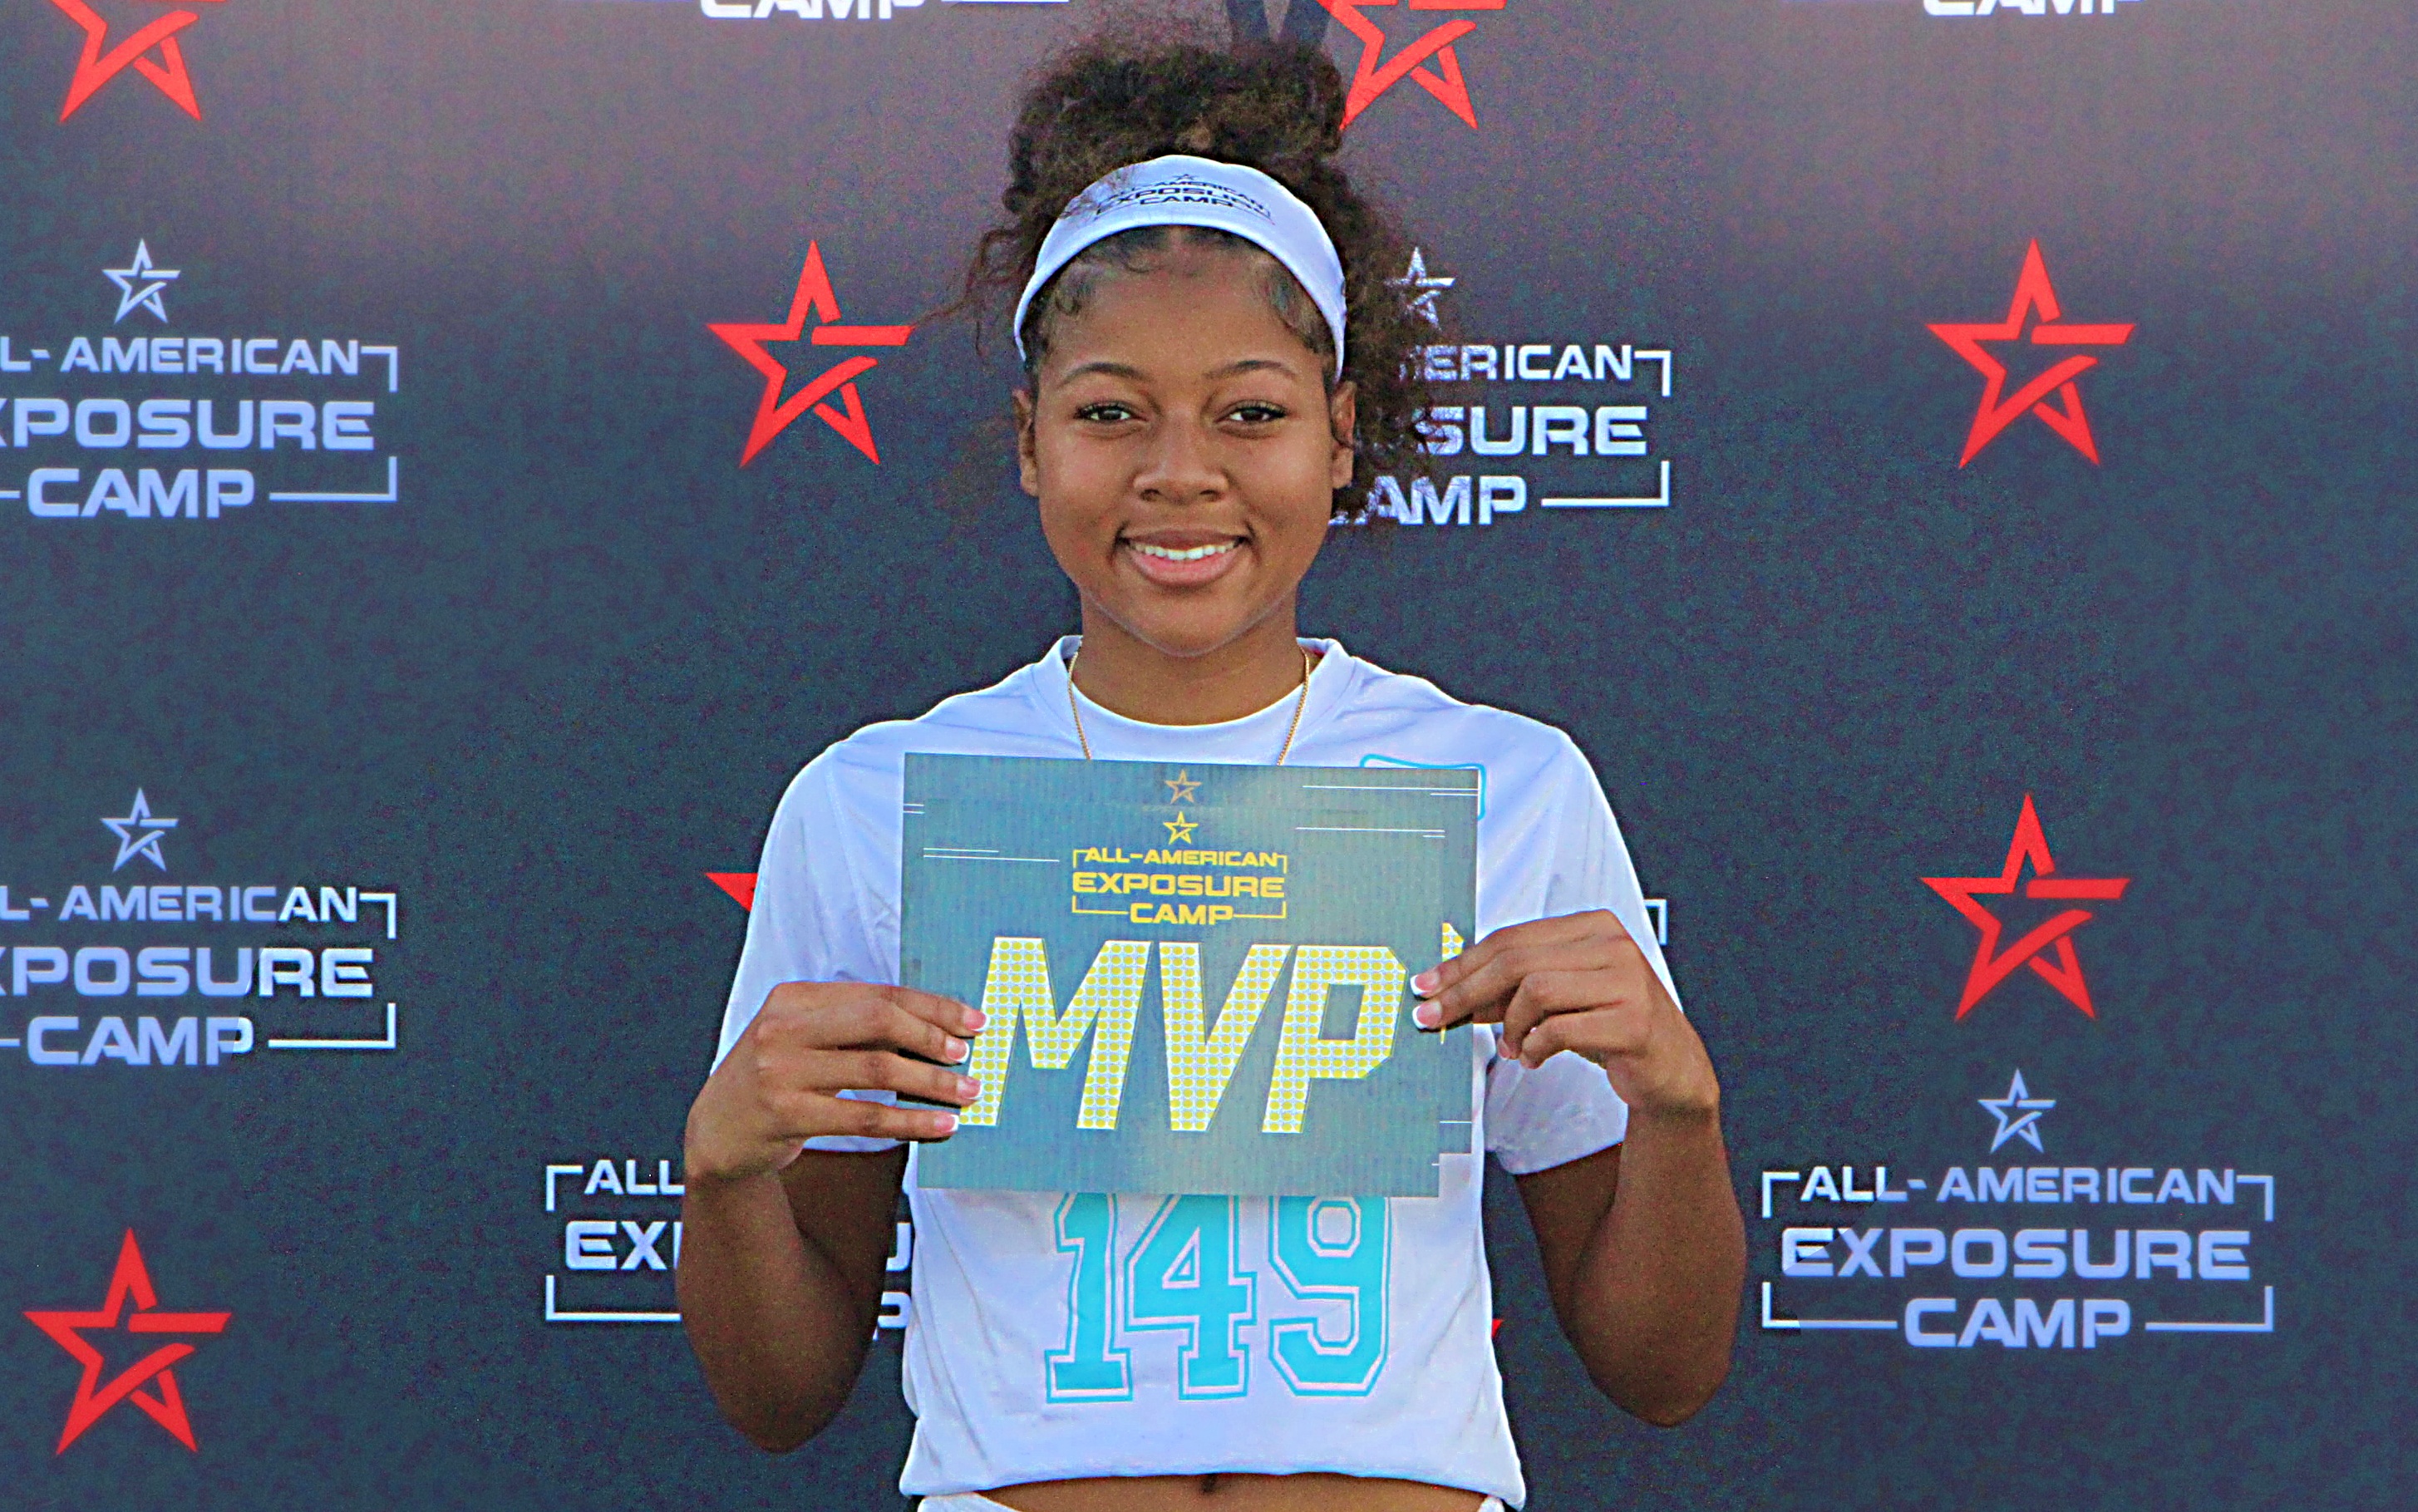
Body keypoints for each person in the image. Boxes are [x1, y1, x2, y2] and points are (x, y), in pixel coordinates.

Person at [677, 27, 1745, 1512]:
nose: (1180, 472)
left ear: (1340, 436)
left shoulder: (1503, 787)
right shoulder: (883, 804)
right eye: (1109, 411)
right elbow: (780, 1394)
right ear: (1031, 441)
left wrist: (1678, 1111)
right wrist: (724, 1166)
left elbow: (1661, 1369)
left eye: (1250, 412)